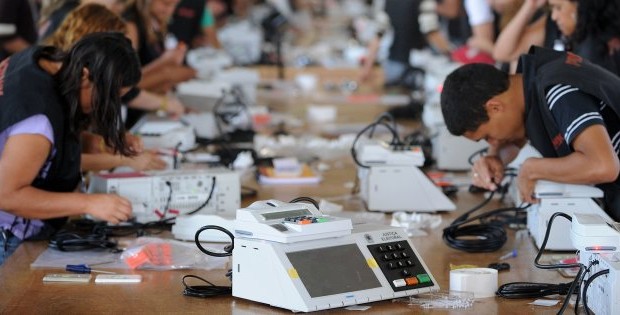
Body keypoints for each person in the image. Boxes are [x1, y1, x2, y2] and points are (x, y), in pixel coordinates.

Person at [0, 32, 140, 264]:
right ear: (86, 75)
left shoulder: (40, 60)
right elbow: (6, 195)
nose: (109, 106)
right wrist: (90, 203)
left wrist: (96, 141)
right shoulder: (38, 119)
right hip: (8, 234)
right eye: (111, 96)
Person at [440, 46, 620, 221]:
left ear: (495, 107)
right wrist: (495, 158)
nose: (492, 143)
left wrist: (532, 169)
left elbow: (603, 166)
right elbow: (517, 137)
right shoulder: (527, 85)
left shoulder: (558, 90)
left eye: (487, 136)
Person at [45, 3, 170, 171]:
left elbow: (68, 141)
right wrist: (122, 160)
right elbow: (55, 160)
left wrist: (107, 144)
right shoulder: (50, 93)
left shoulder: (73, 82)